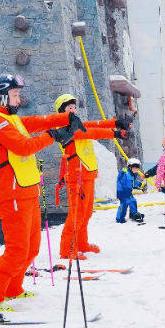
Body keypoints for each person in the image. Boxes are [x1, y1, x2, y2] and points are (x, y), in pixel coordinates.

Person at [0, 74, 82, 310]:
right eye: (14, 95)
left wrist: (66, 117)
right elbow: (23, 147)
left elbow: (35, 122)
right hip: (11, 191)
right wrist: (54, 136)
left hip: (26, 188)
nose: (18, 99)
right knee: (17, 249)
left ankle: (13, 288)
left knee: (32, 247)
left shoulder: (9, 118)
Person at [53, 94, 131, 260]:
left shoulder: (77, 124)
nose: (74, 110)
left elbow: (95, 124)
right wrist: (115, 133)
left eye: (74, 107)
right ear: (61, 112)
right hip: (76, 176)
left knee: (86, 213)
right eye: (69, 108)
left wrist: (116, 123)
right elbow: (92, 132)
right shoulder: (65, 129)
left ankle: (82, 244)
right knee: (76, 213)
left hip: (87, 174)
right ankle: (67, 250)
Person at [116, 157, 146, 224]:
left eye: (138, 167)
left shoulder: (132, 173)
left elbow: (133, 182)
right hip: (122, 192)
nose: (137, 169)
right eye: (135, 167)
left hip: (128, 192)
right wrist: (133, 187)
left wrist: (141, 185)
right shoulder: (124, 173)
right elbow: (125, 183)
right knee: (124, 204)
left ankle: (133, 214)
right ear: (130, 167)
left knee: (133, 201)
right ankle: (119, 218)